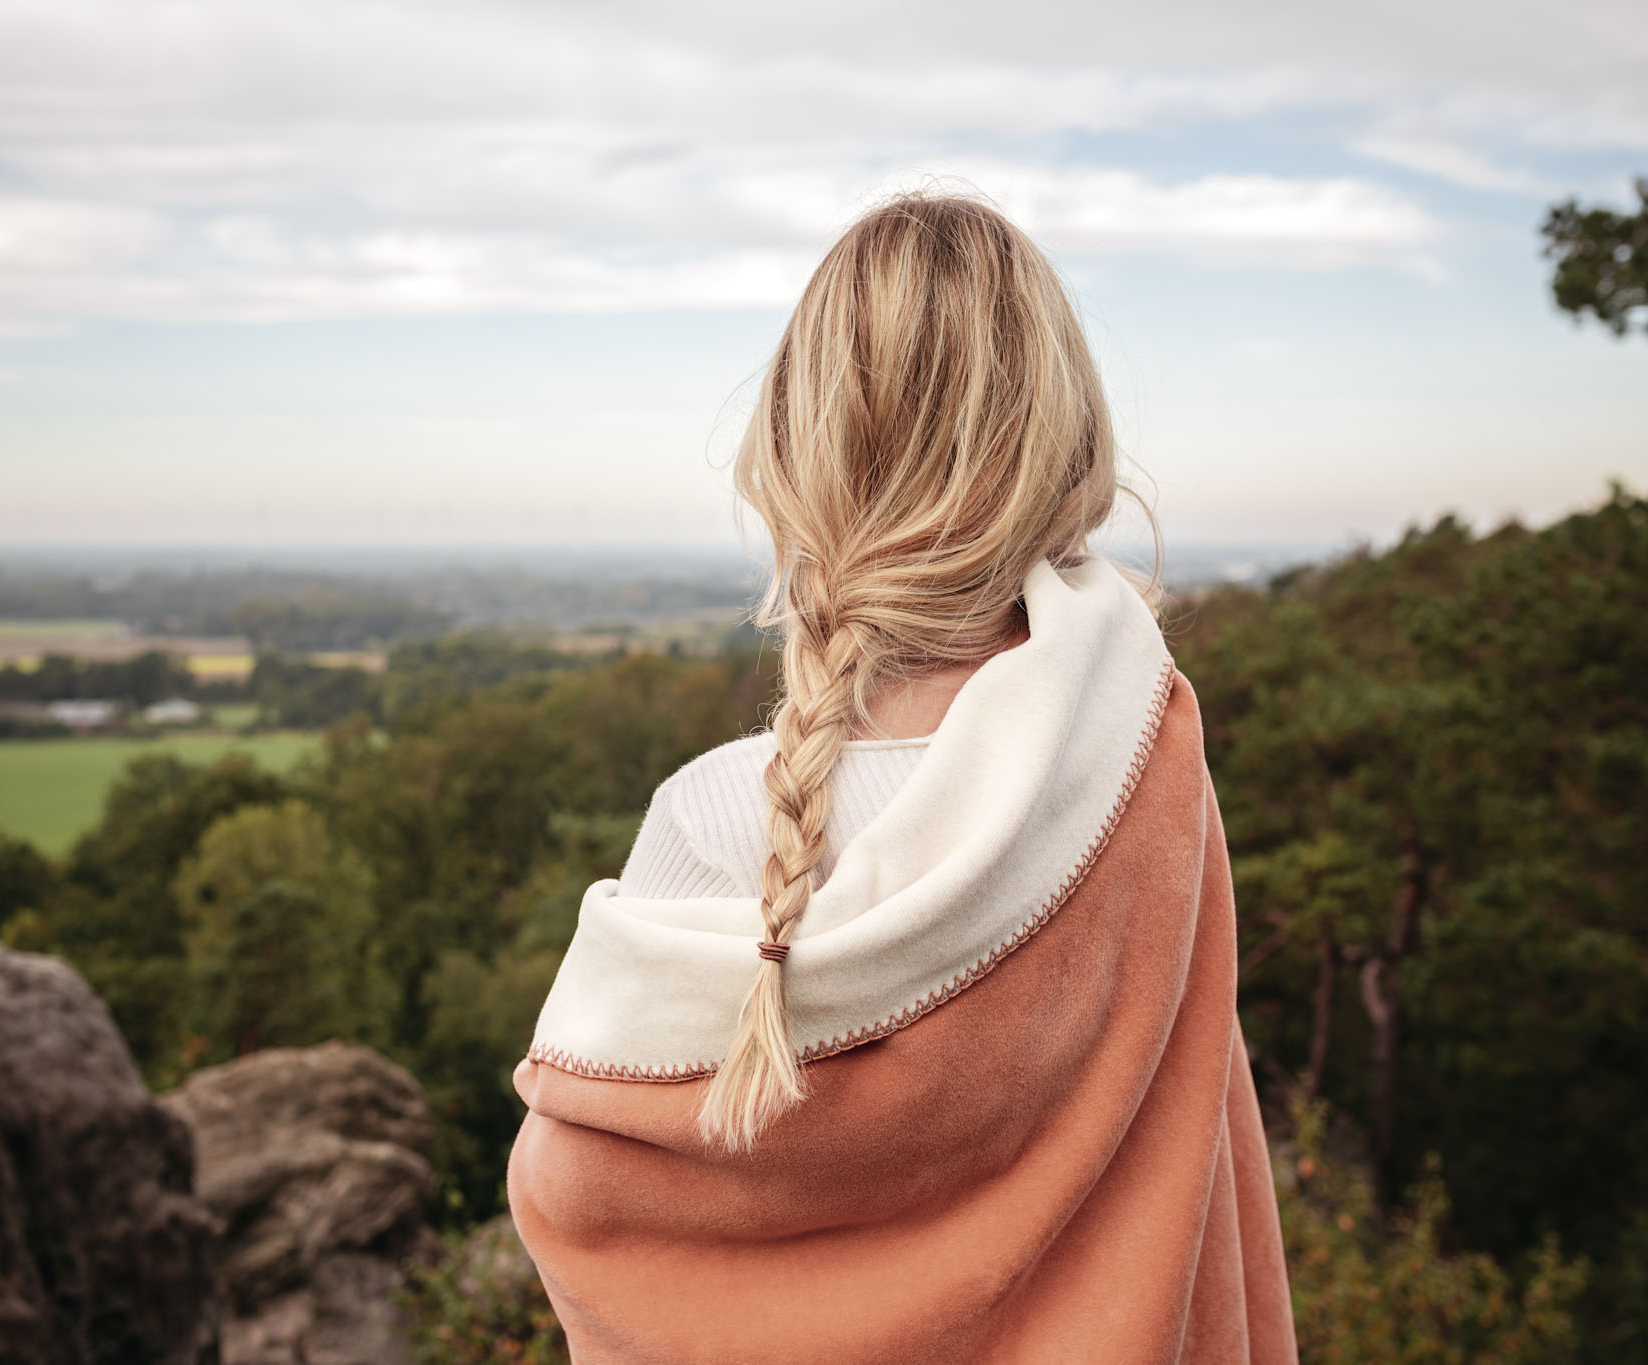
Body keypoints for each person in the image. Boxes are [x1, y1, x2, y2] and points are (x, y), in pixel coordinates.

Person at [507, 191, 1297, 1363]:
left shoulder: (716, 818)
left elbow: (578, 1195)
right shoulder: (1143, 762)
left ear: (790, 449)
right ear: (1063, 442)